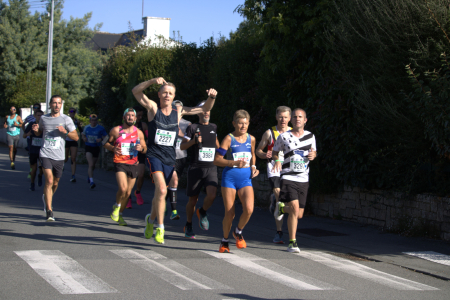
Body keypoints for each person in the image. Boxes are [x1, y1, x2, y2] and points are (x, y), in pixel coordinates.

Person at [132, 77, 217, 244]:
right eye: (164, 93)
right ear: (159, 94)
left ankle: (150, 220)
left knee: (159, 193)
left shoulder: (178, 111)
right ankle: (160, 228)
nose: (167, 96)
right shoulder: (152, 108)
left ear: (174, 96)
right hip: (154, 155)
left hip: (169, 158)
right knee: (163, 190)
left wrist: (211, 97)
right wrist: (151, 81)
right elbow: (136, 91)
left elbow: (205, 108)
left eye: (170, 93)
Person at [213, 110, 259, 253]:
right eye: (240, 123)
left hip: (245, 179)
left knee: (249, 209)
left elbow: (252, 154)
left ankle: (238, 231)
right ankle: (224, 241)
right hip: (230, 178)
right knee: (230, 213)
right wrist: (232, 162)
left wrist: (253, 167)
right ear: (234, 123)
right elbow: (217, 159)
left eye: (245, 123)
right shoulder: (229, 138)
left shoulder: (251, 138)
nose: (243, 126)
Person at [272, 108, 317, 252]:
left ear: (305, 120)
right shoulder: (284, 136)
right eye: (295, 117)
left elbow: (313, 151)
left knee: (299, 214)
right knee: (295, 208)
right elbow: (274, 152)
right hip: (288, 176)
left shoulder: (311, 136)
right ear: (292, 120)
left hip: (303, 177)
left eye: (300, 117)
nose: (298, 119)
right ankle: (292, 242)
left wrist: (313, 156)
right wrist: (277, 160)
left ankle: (280, 207)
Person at [32, 95, 78, 221]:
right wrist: (36, 130)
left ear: (61, 105)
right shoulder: (44, 118)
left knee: (56, 182)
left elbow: (76, 137)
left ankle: (47, 197)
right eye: (54, 103)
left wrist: (65, 132)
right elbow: (39, 132)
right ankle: (49, 210)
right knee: (50, 180)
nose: (57, 105)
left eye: (59, 103)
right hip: (45, 153)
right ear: (50, 104)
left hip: (59, 156)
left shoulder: (66, 119)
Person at [180, 104, 220, 238]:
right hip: (196, 167)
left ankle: (202, 211)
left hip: (211, 167)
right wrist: (193, 141)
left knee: (212, 195)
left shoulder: (213, 127)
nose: (206, 112)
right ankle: (189, 224)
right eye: (203, 110)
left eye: (208, 110)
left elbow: (218, 145)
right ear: (198, 113)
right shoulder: (192, 127)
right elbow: (182, 146)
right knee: (193, 200)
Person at [256, 106, 292, 244]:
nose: (283, 120)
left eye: (286, 117)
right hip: (273, 168)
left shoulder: (294, 133)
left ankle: (274, 202)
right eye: (280, 117)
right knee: (280, 197)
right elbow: (258, 150)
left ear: (290, 118)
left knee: (284, 202)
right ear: (276, 117)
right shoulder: (269, 133)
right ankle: (279, 233)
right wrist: (265, 154)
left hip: (289, 168)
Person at [107, 108, 147, 226]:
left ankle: (120, 215)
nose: (130, 117)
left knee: (128, 193)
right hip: (120, 163)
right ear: (124, 117)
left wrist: (142, 149)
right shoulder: (116, 130)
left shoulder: (139, 132)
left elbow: (145, 148)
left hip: (133, 163)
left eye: (132, 116)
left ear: (135, 118)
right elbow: (105, 143)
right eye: (128, 115)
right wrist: (113, 148)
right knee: (123, 189)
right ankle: (117, 206)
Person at [165, 100, 191, 220]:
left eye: (180, 109)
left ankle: (162, 203)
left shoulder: (187, 124)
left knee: (172, 184)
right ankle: (173, 211)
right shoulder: (165, 120)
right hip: (167, 156)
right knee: (173, 181)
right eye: (175, 108)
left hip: (181, 156)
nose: (177, 111)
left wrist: (179, 132)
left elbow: (189, 140)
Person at [126, 105, 148, 208]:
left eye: (141, 116)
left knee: (141, 174)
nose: (139, 118)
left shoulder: (143, 126)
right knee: (129, 176)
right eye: (138, 116)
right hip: (129, 153)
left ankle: (137, 192)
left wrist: (143, 145)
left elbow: (148, 139)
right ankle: (128, 197)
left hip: (139, 153)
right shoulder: (125, 127)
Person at [81, 114, 108, 189]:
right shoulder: (86, 127)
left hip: (96, 147)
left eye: (95, 120)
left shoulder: (100, 128)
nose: (93, 122)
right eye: (92, 120)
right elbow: (83, 135)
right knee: (91, 164)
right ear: (90, 121)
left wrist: (101, 140)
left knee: (93, 165)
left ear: (97, 121)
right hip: (88, 147)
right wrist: (84, 138)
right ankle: (92, 182)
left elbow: (107, 137)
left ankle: (89, 176)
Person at [23, 109, 44, 191]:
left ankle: (40, 176)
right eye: (38, 115)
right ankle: (32, 184)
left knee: (42, 167)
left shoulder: (44, 125)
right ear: (35, 116)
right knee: (34, 169)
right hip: (33, 150)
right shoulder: (31, 124)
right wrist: (27, 134)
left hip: (42, 150)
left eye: (41, 115)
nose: (40, 117)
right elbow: (24, 135)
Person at [64, 107, 83, 182]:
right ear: (69, 112)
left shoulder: (76, 121)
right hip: (66, 140)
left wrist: (83, 135)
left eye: (73, 111)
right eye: (71, 111)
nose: (72, 113)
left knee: (73, 158)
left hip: (74, 141)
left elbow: (81, 130)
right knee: (65, 158)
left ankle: (73, 175)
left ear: (75, 113)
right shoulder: (65, 121)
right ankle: (60, 167)